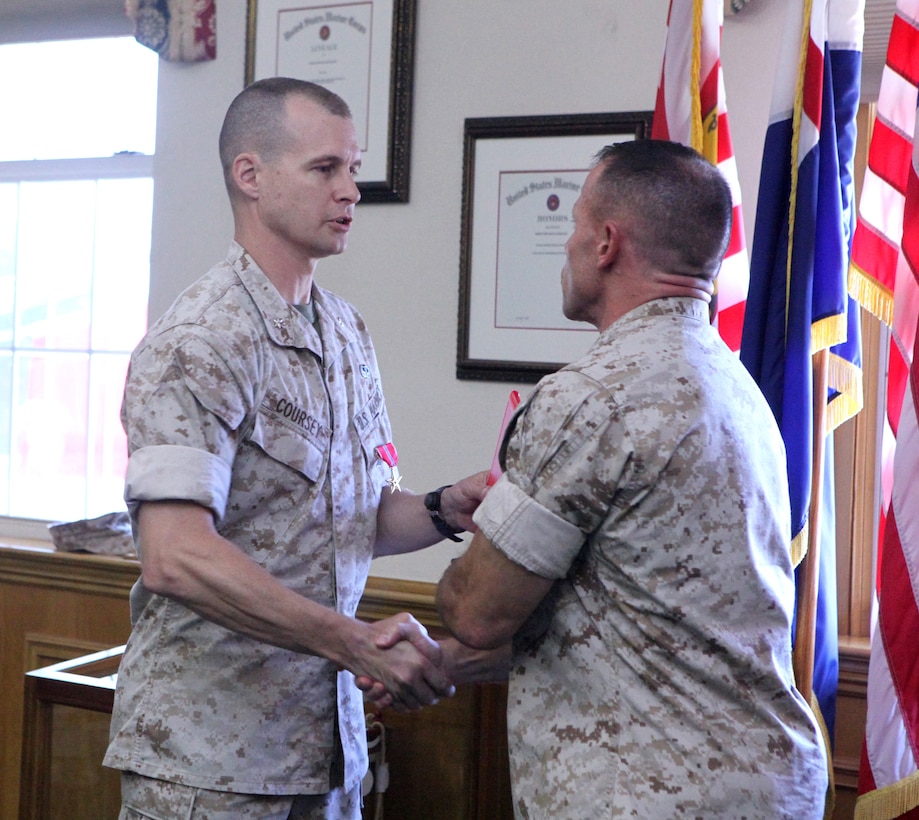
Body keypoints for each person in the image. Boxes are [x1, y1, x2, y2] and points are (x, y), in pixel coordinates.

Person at [103, 77, 487, 820]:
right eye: (325, 169)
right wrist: (351, 642)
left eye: (352, 167)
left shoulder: (343, 332)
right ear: (251, 177)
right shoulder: (201, 340)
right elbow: (173, 556)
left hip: (325, 749)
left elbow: (358, 518)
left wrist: (443, 508)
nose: (351, 189)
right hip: (210, 760)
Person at [431, 140, 829, 817]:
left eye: (575, 225)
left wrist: (465, 563)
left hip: (649, 789)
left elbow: (477, 611)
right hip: (764, 782)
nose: (567, 245)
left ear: (606, 243)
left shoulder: (595, 394)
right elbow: (649, 623)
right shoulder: (734, 386)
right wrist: (440, 664)